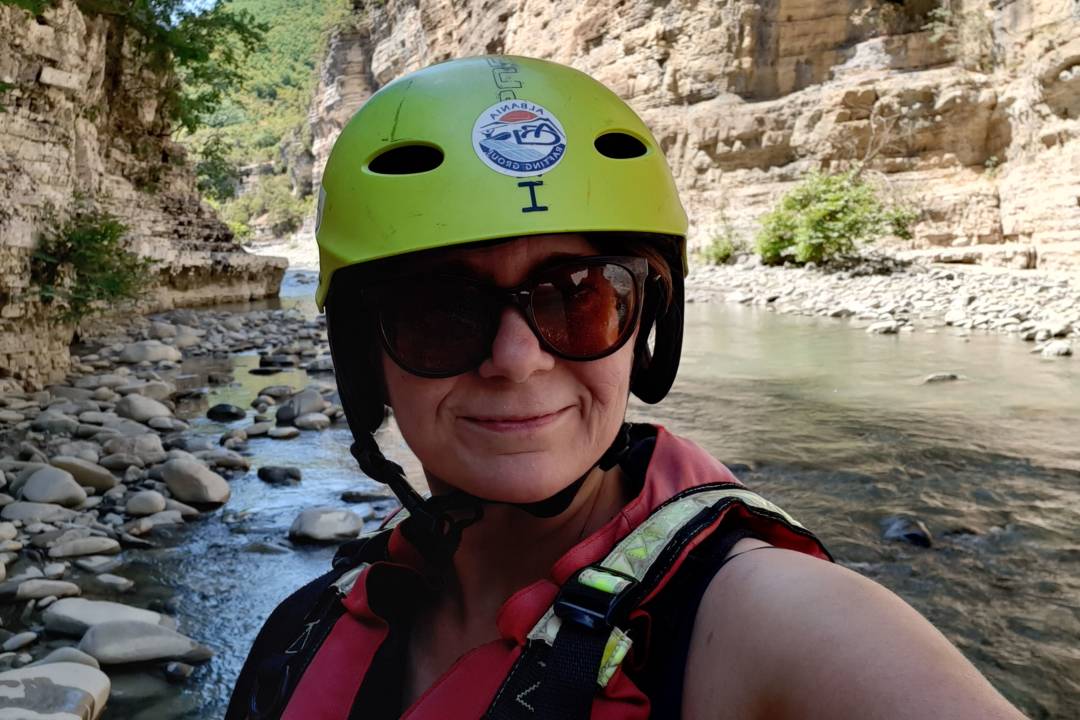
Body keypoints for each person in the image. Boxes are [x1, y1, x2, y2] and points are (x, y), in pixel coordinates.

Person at [227, 56, 1026, 720]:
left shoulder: (761, 619)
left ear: (646, 325)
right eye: (440, 311)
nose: (517, 359)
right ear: (365, 356)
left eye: (578, 296)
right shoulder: (309, 627)